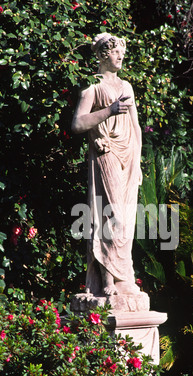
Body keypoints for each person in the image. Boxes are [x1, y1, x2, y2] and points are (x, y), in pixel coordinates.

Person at [71, 33, 142, 296]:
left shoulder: (127, 87)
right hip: (106, 152)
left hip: (128, 155)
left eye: (122, 51)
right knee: (112, 216)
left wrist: (139, 162)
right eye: (115, 52)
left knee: (128, 219)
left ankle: (124, 277)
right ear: (102, 56)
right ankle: (108, 280)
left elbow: (135, 127)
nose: (121, 56)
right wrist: (109, 111)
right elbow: (78, 124)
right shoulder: (93, 88)